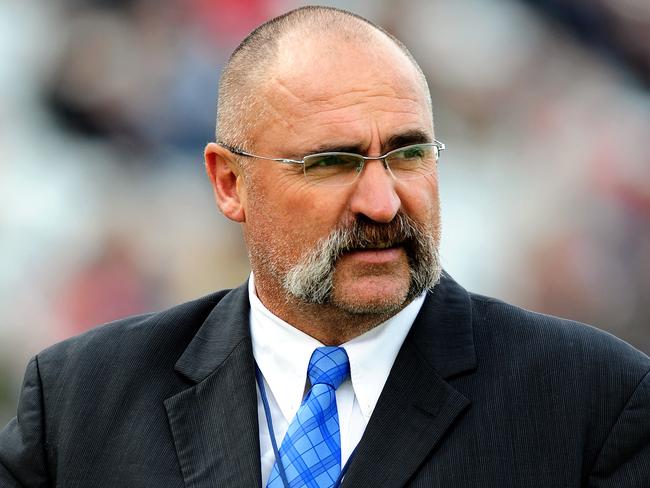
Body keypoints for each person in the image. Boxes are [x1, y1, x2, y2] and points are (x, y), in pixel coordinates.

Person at [1, 5, 649, 487]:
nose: (383, 202)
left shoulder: (591, 402)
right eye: (333, 162)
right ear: (230, 183)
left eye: (408, 153)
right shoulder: (80, 401)